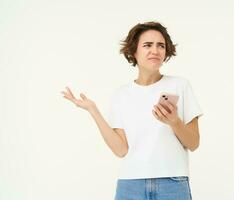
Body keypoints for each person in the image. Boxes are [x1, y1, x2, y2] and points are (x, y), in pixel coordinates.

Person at [61, 21, 203, 200]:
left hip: (172, 184)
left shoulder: (180, 85)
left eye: (161, 45)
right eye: (147, 45)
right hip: (130, 185)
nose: (155, 50)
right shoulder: (121, 94)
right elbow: (120, 150)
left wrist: (174, 122)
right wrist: (93, 110)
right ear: (134, 51)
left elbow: (194, 143)